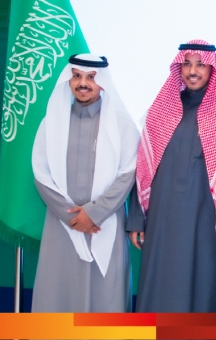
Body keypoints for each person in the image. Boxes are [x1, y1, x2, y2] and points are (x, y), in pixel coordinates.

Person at [127, 40, 216, 312]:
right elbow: (143, 169)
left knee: (207, 292)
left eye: (200, 65)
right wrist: (136, 219)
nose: (193, 71)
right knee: (161, 290)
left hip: (208, 223)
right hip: (162, 221)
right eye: (187, 64)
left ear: (212, 69)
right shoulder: (160, 111)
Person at [31, 54, 139, 312]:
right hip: (61, 225)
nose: (83, 83)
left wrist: (93, 214)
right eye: (77, 76)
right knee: (57, 295)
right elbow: (41, 174)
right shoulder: (51, 124)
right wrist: (72, 217)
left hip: (105, 224)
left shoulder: (123, 126)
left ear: (103, 82)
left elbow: (127, 174)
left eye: (91, 77)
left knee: (106, 298)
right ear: (68, 81)